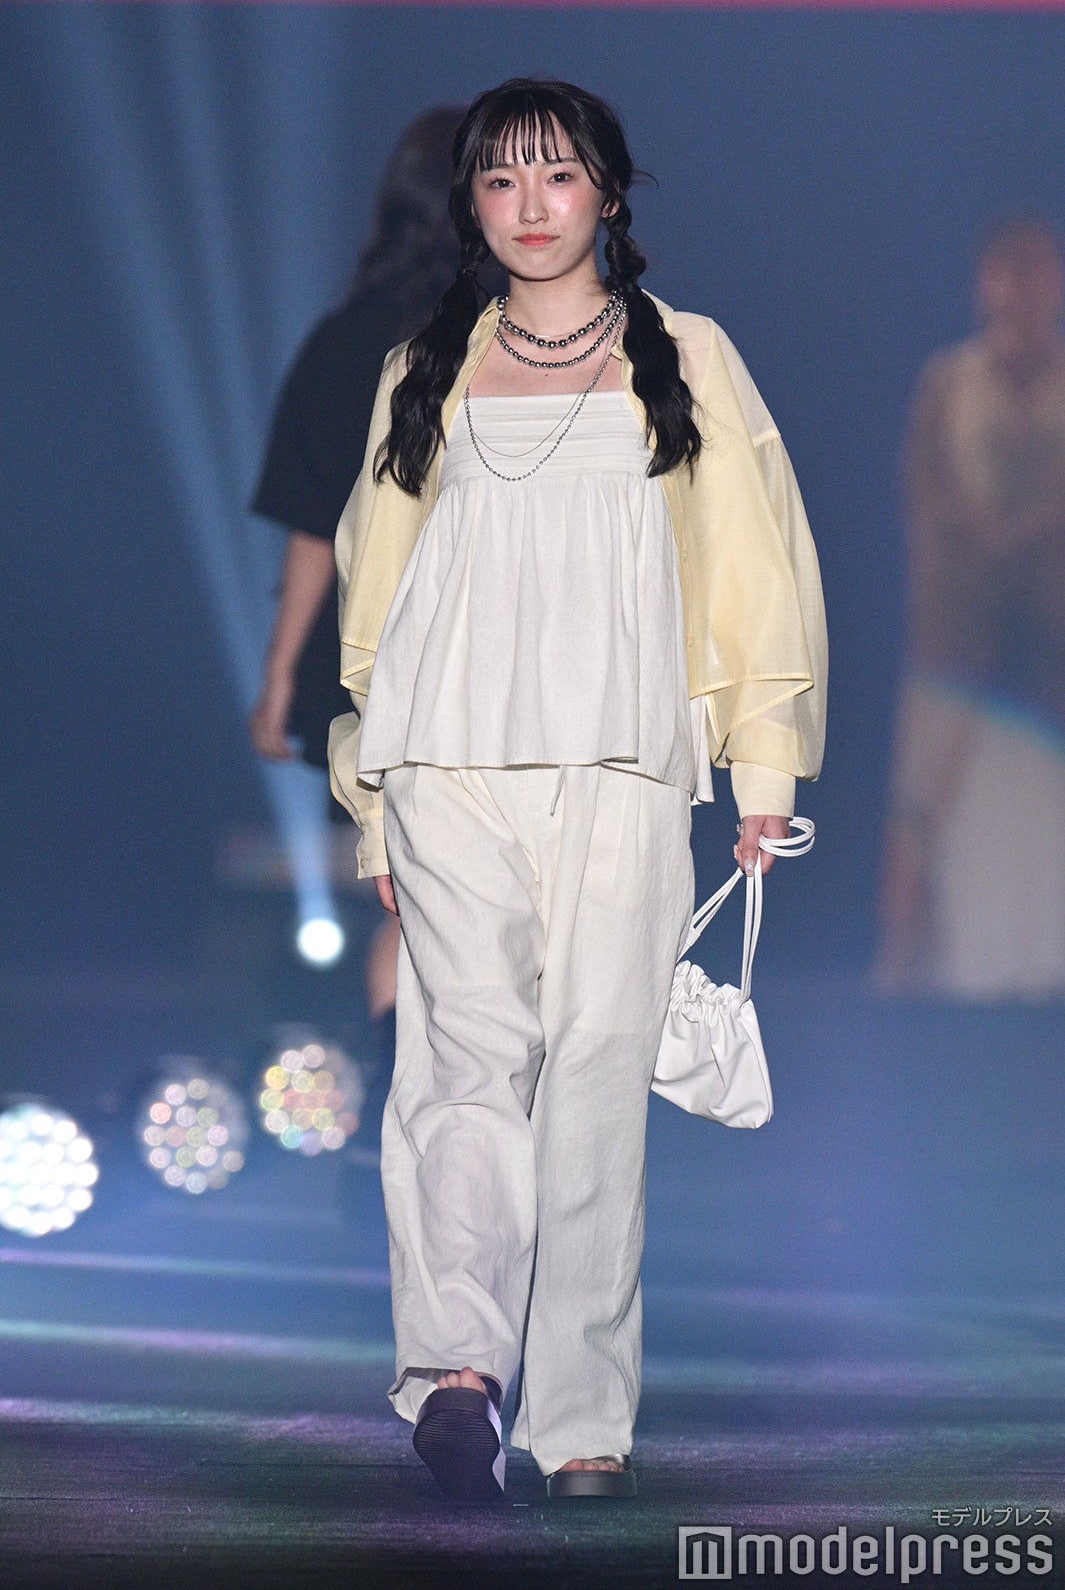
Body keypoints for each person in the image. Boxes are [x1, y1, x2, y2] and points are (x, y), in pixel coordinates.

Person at [328, 78, 827, 1502]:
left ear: (608, 192)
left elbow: (754, 572)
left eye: (557, 175)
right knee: (461, 1059)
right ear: (471, 205)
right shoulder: (425, 367)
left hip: (622, 762)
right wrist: (375, 799)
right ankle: (459, 1373)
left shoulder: (690, 357)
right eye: (500, 179)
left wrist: (761, 766)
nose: (530, 205)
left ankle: (584, 1418)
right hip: (447, 761)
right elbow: (376, 603)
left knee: (600, 1068)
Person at [247, 106, 467, 1056]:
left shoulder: (345, 343)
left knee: (417, 903)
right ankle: (428, 1107)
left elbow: (313, 529)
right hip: (482, 664)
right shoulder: (520, 343)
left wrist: (280, 681)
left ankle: (400, 1101)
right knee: (452, 907)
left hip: (374, 671)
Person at [878, 218, 1065, 999]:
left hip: (1052, 623)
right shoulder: (949, 381)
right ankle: (908, 968)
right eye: (1007, 273)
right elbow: (926, 489)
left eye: (1036, 272)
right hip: (964, 624)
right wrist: (986, 544)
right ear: (985, 285)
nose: (1022, 290)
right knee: (928, 791)